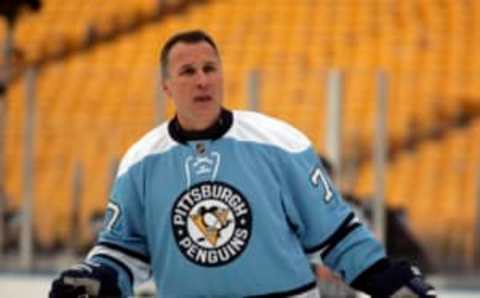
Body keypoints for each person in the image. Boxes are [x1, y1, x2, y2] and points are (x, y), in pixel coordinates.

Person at [49, 30, 436, 298]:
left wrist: (388, 278)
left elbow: (337, 234)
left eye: (210, 68)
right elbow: (121, 251)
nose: (202, 80)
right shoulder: (141, 161)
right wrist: (96, 277)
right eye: (188, 71)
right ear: (166, 86)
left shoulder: (280, 143)